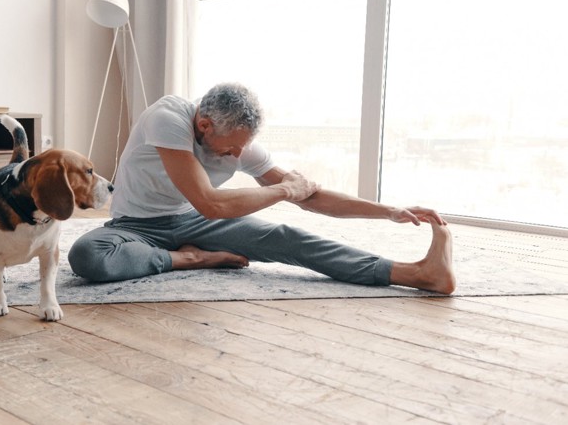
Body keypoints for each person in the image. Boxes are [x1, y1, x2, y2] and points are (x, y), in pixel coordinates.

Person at [69, 82, 455, 294]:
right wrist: (284, 191)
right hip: (136, 226)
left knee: (287, 237)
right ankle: (194, 259)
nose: (237, 155)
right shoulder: (168, 118)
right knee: (88, 254)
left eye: (242, 147)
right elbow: (210, 203)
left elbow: (311, 196)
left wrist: (388, 211)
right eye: (232, 147)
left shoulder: (240, 143)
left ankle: (417, 274)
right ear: (204, 124)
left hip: (194, 225)